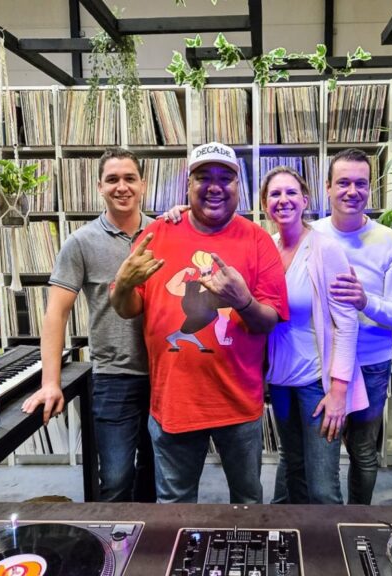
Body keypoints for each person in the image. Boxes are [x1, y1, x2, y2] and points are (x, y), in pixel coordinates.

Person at [110, 142, 289, 504]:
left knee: (247, 504)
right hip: (174, 402)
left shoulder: (257, 240)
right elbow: (127, 309)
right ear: (188, 185)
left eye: (225, 178)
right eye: (204, 177)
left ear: (238, 186)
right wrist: (123, 286)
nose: (214, 186)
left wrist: (243, 301)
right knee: (174, 506)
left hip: (239, 404)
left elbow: (269, 320)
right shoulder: (158, 234)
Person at [22, 147, 156, 503]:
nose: (121, 187)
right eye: (112, 179)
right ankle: (116, 538)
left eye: (129, 178)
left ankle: (147, 538)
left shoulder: (163, 234)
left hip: (164, 376)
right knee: (116, 479)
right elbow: (56, 313)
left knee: (156, 474)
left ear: (143, 184)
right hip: (113, 377)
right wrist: (50, 382)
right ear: (100, 186)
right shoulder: (80, 242)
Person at [312, 148, 392, 505]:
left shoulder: (390, 242)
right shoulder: (311, 235)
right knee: (321, 449)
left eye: (361, 183)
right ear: (328, 188)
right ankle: (324, 520)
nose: (352, 191)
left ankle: (360, 517)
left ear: (370, 188)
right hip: (321, 364)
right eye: (343, 183)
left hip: (371, 364)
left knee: (363, 451)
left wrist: (365, 301)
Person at [261, 166, 368, 505]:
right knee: (292, 466)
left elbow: (347, 323)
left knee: (322, 486)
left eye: (291, 192)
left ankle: (330, 540)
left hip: (316, 384)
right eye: (275, 194)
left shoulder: (325, 249)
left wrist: (338, 391)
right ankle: (294, 536)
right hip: (280, 382)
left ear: (305, 200)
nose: (283, 200)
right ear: (264, 204)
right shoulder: (266, 248)